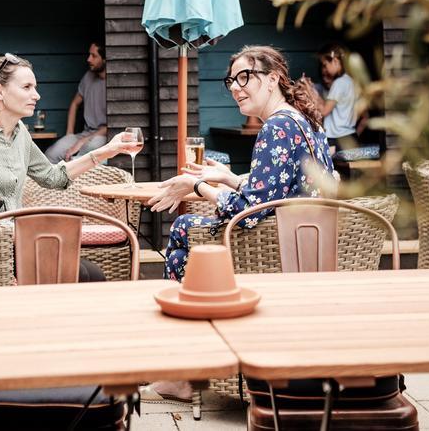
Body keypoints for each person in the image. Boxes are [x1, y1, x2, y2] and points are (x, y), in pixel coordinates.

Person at [142, 45, 337, 403]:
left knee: (184, 229)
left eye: (245, 77)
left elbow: (248, 211)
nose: (235, 86)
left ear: (273, 78)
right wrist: (229, 178)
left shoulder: (276, 127)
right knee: (191, 235)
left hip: (274, 248)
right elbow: (279, 187)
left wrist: (197, 186)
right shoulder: (300, 120)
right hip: (305, 242)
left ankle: (186, 372)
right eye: (231, 79)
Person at [0, 51, 140, 282]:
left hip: (17, 245)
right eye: (27, 87)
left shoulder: (20, 133)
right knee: (79, 275)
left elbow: (53, 177)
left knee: (94, 274)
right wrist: (32, 234)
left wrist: (106, 151)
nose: (37, 95)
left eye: (35, 87)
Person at [45, 42, 108, 164]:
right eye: (89, 55)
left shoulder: (115, 82)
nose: (88, 59)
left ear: (105, 59)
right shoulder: (88, 77)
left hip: (103, 136)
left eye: (94, 56)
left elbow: (111, 125)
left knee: (89, 149)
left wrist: (82, 142)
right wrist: (69, 133)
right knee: (51, 154)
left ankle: (73, 169)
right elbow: (75, 104)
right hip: (85, 133)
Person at [318, 44, 361, 150]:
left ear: (335, 61)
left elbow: (324, 111)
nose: (325, 70)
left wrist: (310, 91)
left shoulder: (339, 83)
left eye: (325, 65)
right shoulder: (351, 81)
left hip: (337, 137)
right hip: (350, 135)